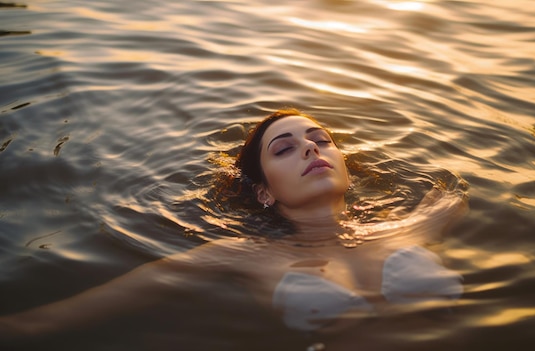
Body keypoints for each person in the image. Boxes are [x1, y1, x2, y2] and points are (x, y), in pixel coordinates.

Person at [0, 108, 468, 348]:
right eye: (284, 149)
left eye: (321, 140)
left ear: (345, 167)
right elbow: (50, 322)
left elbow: (459, 187)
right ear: (264, 192)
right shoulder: (241, 255)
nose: (310, 149)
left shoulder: (415, 223)